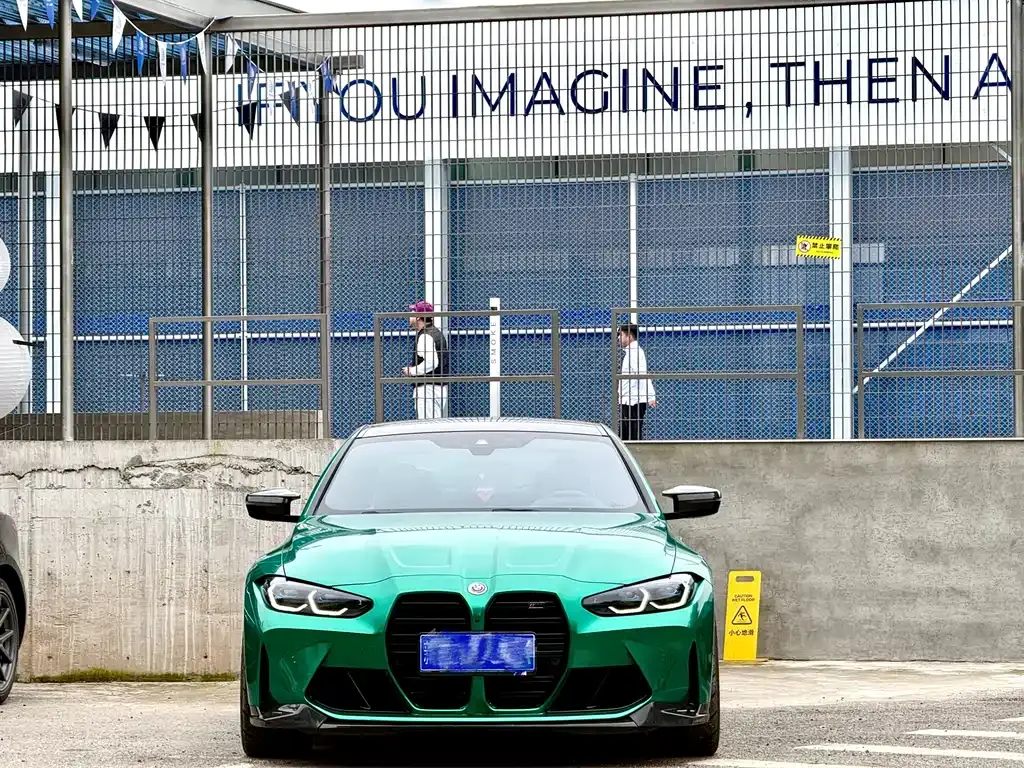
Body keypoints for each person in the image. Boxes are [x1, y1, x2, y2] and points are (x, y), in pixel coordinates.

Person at [401, 300, 450, 419]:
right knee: (433, 422)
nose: (410, 315)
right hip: (435, 386)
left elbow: (431, 362)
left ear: (418, 317)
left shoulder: (425, 336)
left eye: (412, 312)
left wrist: (412, 371)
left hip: (428, 389)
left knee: (428, 424)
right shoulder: (435, 332)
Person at [617, 323, 656, 440]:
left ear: (629, 336)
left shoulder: (634, 353)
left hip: (633, 401)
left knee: (631, 435)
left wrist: (651, 396)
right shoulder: (632, 352)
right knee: (625, 434)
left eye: (621, 335)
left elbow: (642, 374)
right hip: (629, 400)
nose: (618, 338)